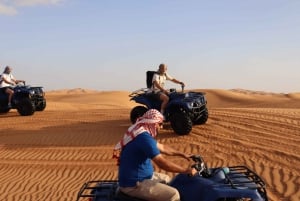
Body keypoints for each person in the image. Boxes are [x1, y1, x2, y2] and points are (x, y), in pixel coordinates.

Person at [113, 109, 197, 201]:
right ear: (153, 123)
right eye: (160, 124)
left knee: (167, 179)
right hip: (134, 184)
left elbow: (163, 148)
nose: (161, 127)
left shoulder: (139, 131)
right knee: (173, 195)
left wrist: (183, 154)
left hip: (142, 177)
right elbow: (161, 163)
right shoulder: (144, 138)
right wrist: (185, 170)